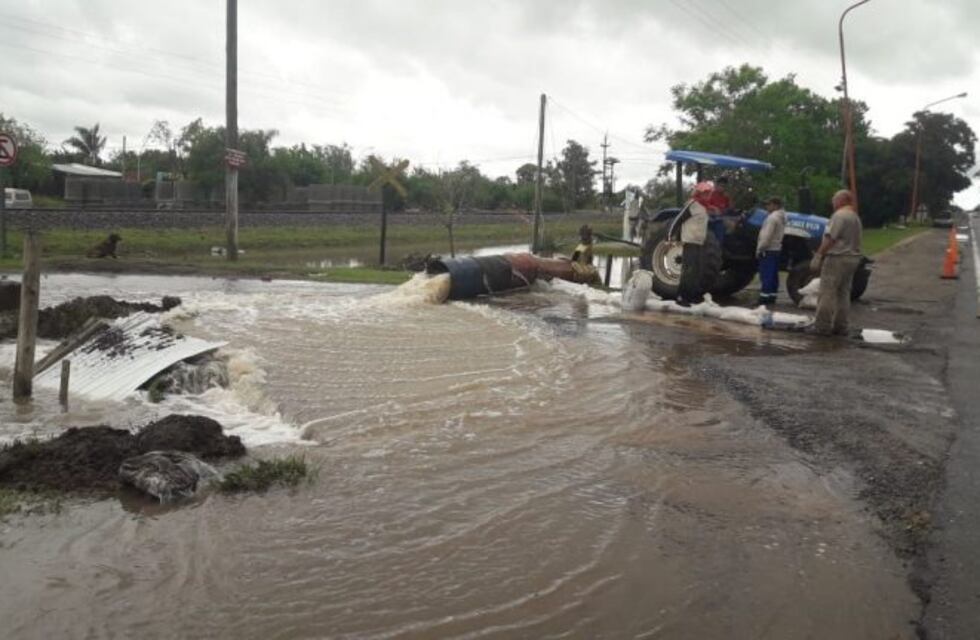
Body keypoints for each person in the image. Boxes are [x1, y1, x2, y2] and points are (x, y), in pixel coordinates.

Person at [808, 189, 863, 336]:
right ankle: (841, 326)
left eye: (834, 199)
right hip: (853, 258)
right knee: (843, 293)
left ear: (841, 200)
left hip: (837, 258)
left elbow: (830, 238)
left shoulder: (839, 216)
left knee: (827, 292)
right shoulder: (855, 217)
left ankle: (821, 326)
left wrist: (819, 255)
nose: (832, 202)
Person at [678, 181, 712, 306]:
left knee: (698, 270)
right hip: (690, 241)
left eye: (709, 194)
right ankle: (682, 297)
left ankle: (692, 296)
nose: (707, 196)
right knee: (689, 270)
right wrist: (671, 236)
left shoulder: (704, 207)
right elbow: (679, 219)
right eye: (705, 194)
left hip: (699, 242)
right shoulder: (692, 204)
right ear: (699, 194)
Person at [756, 196, 786, 307]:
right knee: (773, 274)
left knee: (766, 274)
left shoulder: (772, 218)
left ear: (775, 205)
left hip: (768, 249)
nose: (767, 207)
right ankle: (772, 296)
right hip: (777, 248)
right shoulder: (782, 217)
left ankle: (764, 298)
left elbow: (766, 236)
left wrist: (760, 248)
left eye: (769, 204)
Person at [706, 175, 732, 244]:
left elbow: (729, 208)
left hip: (723, 217)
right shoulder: (711, 194)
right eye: (721, 185)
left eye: (724, 186)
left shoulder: (726, 197)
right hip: (712, 218)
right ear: (716, 185)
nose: (722, 188)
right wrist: (714, 208)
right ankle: (719, 246)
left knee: (736, 224)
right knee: (720, 225)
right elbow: (706, 205)